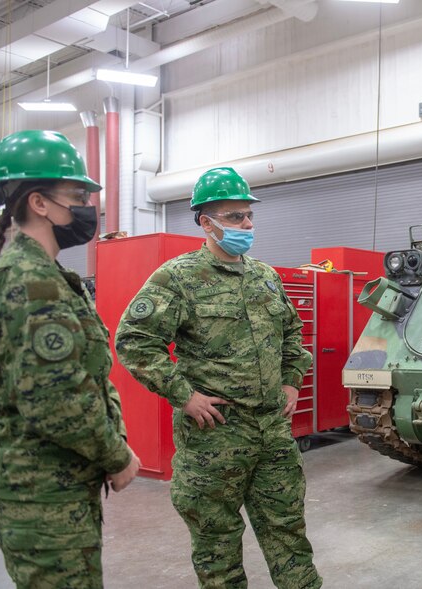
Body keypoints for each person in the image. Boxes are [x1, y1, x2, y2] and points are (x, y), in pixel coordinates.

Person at [114, 167, 322, 589]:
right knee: (217, 544)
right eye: (234, 217)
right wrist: (183, 395)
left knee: (289, 534)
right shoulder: (178, 277)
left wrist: (291, 380)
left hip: (272, 433)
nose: (246, 225)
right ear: (205, 223)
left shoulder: (264, 276)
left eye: (248, 216)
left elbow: (292, 334)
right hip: (216, 436)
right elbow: (134, 340)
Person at [0, 129, 140, 587]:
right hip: (41, 495)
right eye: (78, 194)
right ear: (39, 203)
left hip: (54, 486)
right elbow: (56, 400)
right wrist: (116, 454)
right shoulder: (29, 281)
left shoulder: (47, 273)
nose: (89, 205)